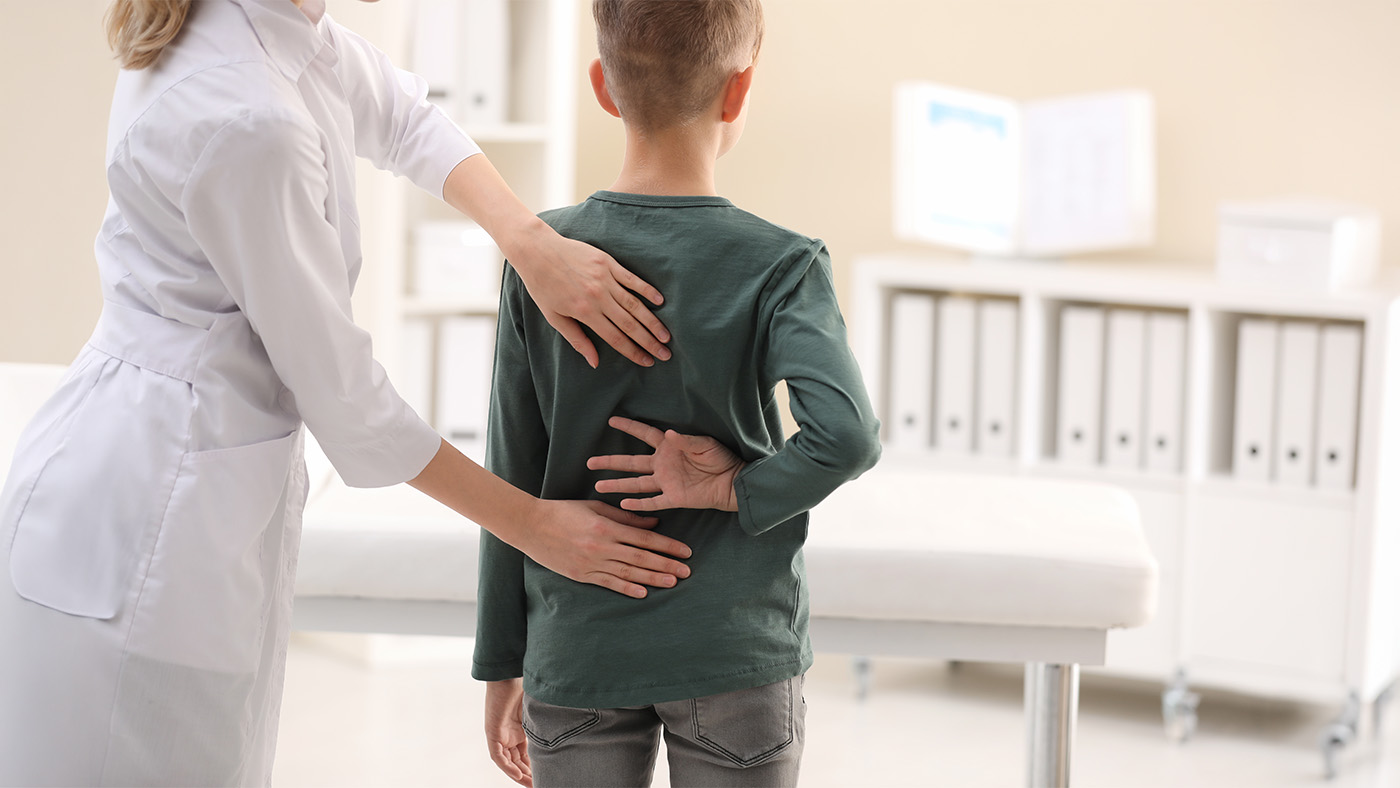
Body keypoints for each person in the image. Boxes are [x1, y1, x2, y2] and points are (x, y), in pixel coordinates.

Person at [0, 0, 699, 785]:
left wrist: (529, 242)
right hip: (146, 505)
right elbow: (347, 402)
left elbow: (399, 114)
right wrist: (532, 526)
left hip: (162, 471)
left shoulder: (277, 24)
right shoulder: (249, 117)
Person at [473, 1, 882, 785]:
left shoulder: (542, 258)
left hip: (578, 645)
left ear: (603, 86)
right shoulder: (782, 263)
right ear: (740, 92)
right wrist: (735, 486)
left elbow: (511, 470)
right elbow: (848, 435)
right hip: (734, 647)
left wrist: (502, 661)